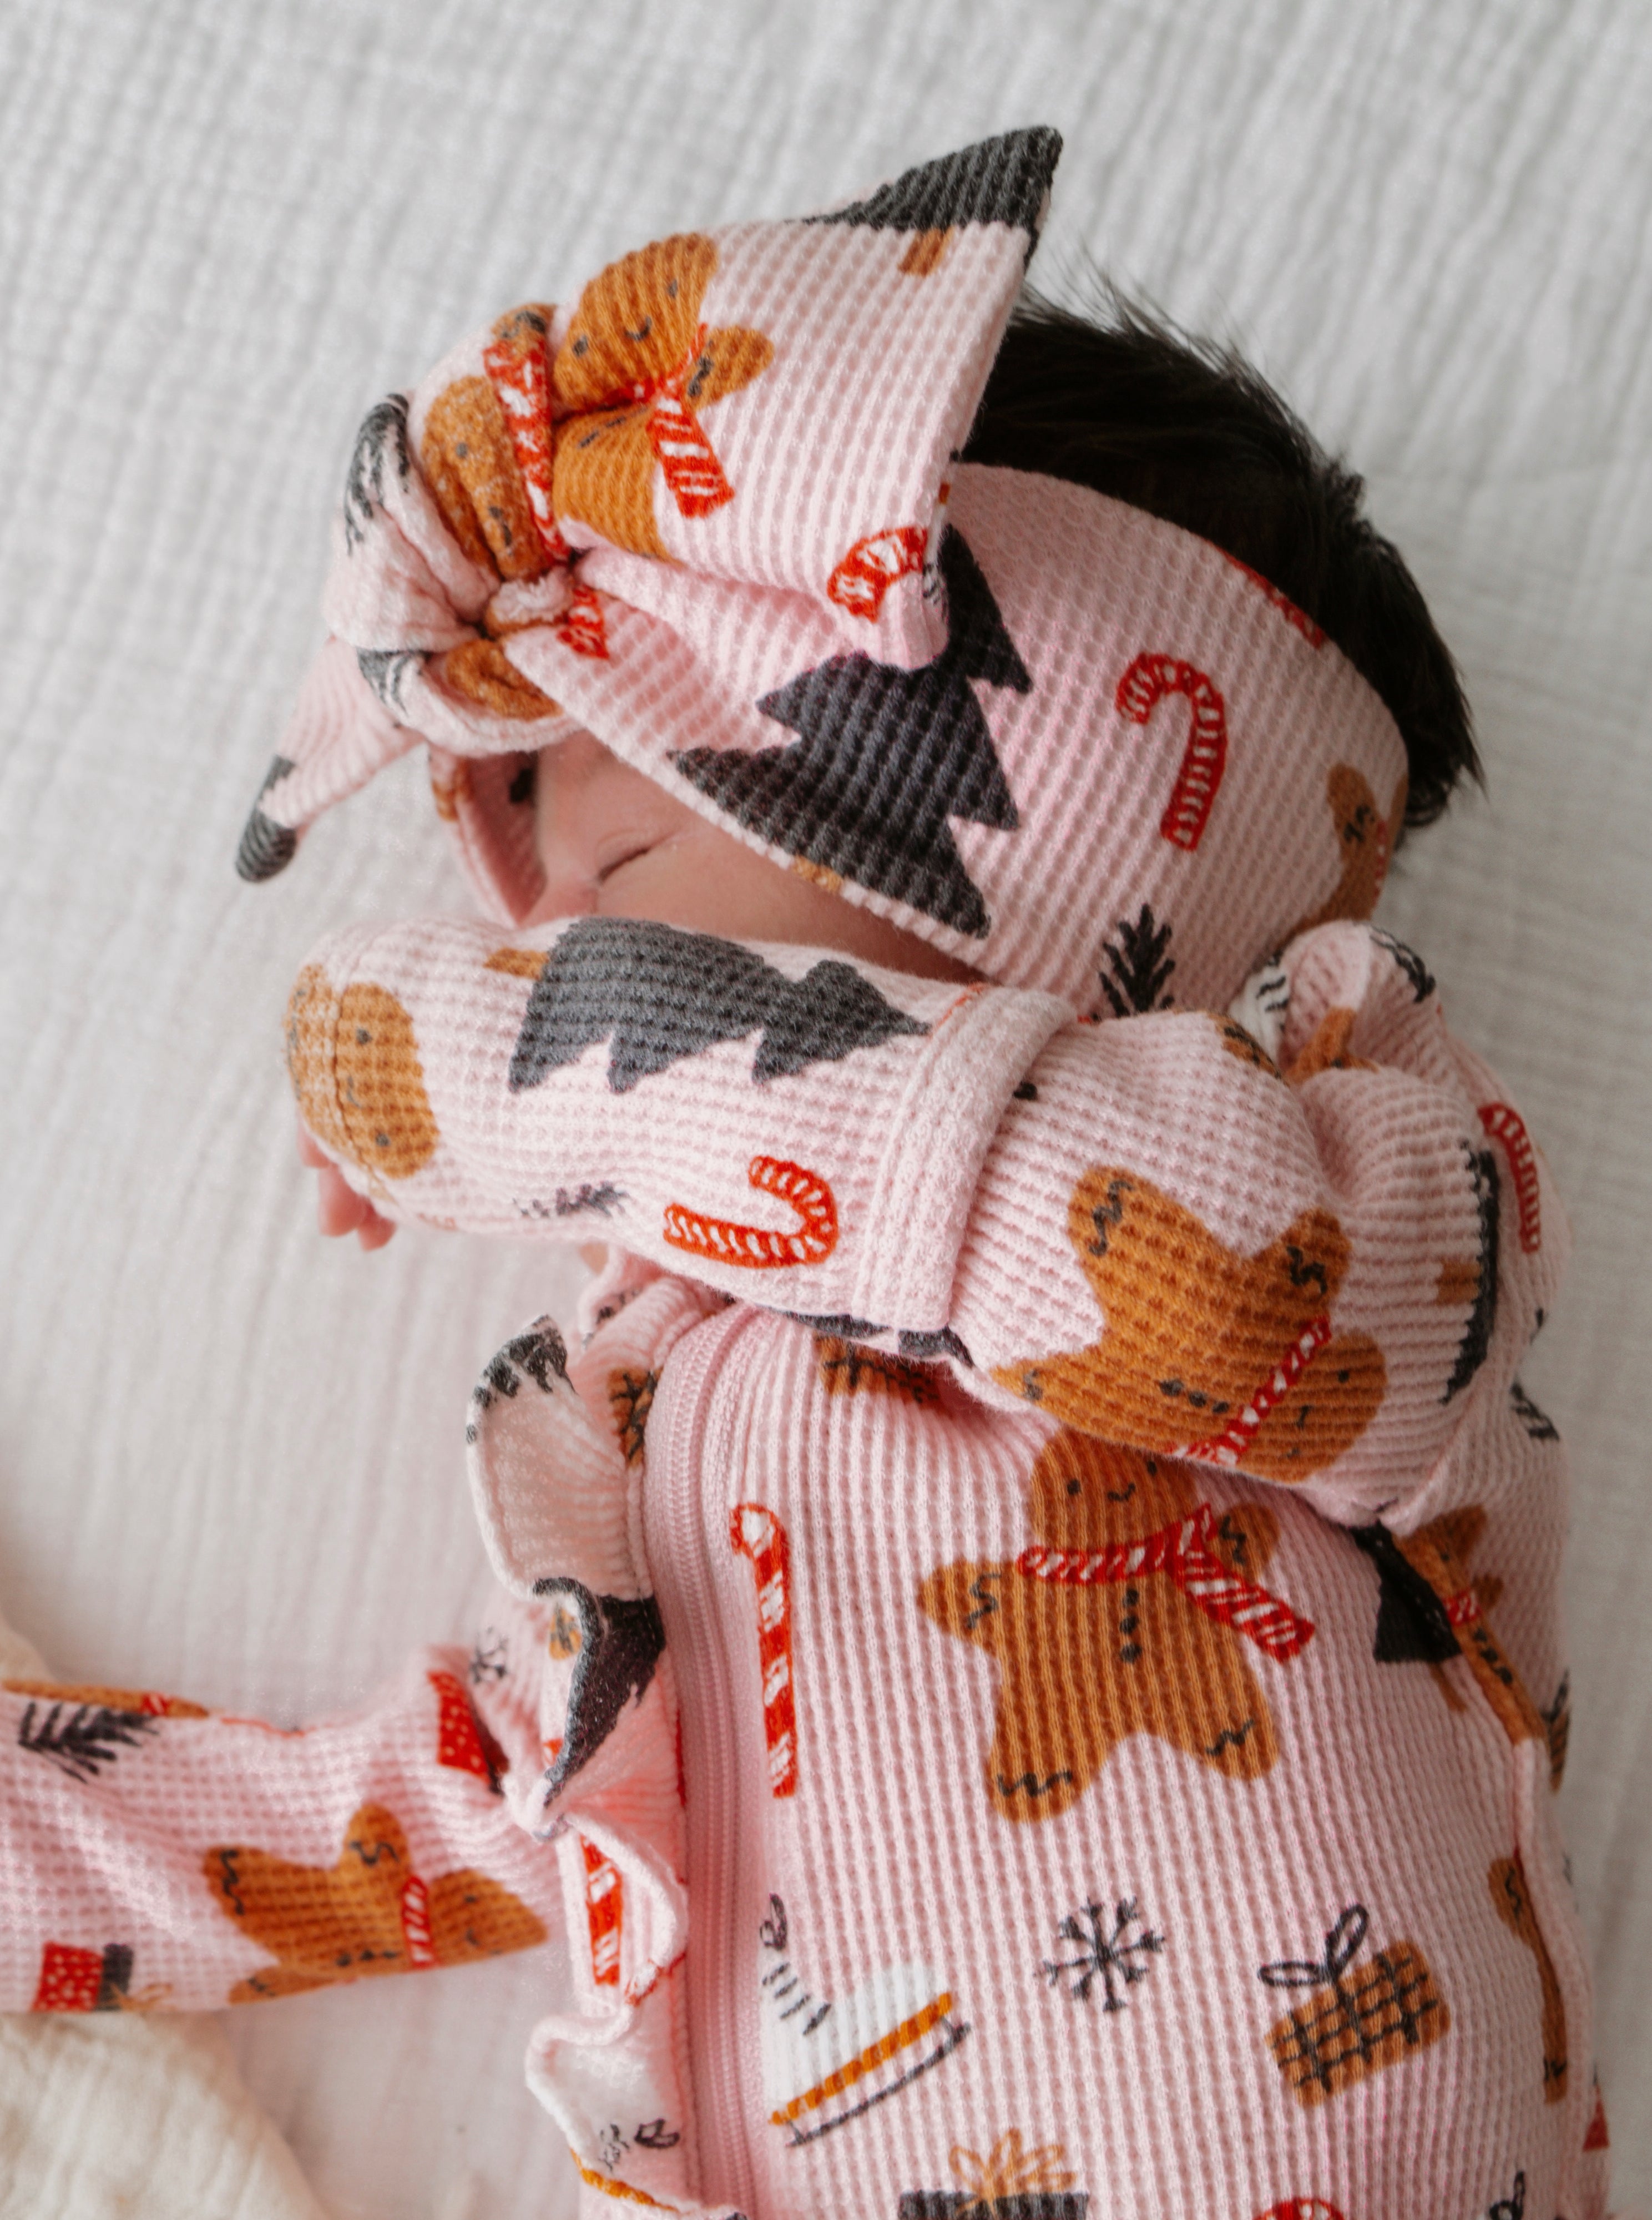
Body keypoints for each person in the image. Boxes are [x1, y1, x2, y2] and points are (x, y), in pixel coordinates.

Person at [2, 132, 1614, 2219]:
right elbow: (490, 1805)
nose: (521, 836)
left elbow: (1184, 1283)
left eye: (604, 739)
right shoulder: (674, 1395)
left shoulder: (1360, 1160)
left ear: (1067, 796)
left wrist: (508, 1077)